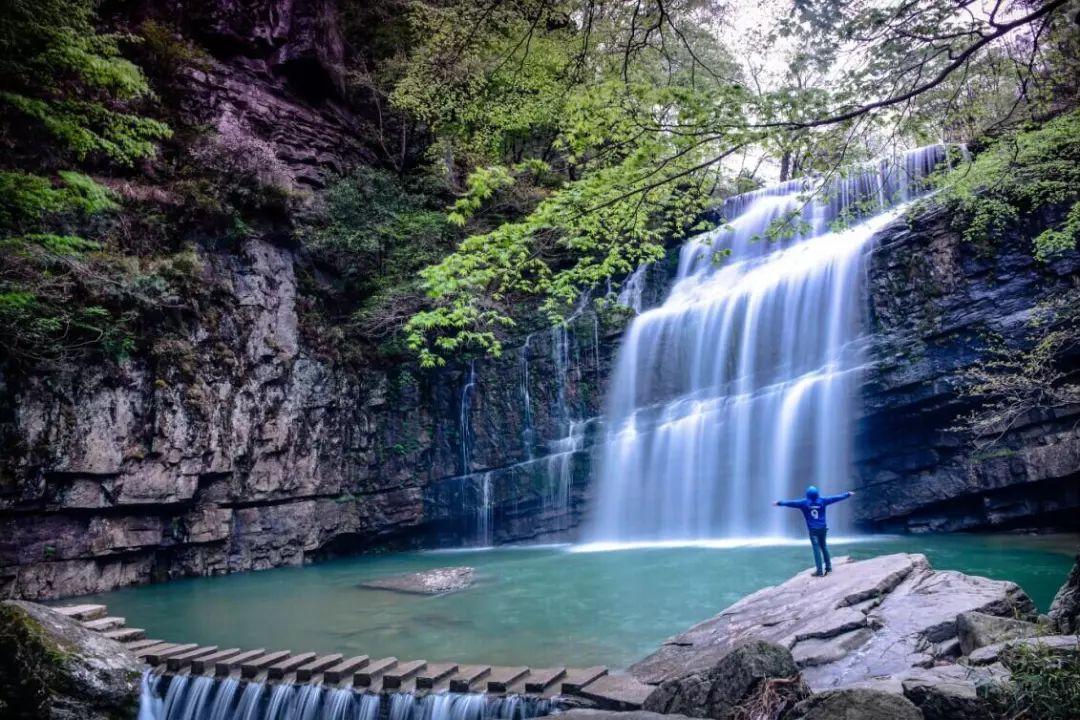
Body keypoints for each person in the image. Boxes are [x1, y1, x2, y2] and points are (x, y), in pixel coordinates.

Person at [773, 486, 855, 576]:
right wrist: (848, 494)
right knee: (824, 547)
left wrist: (778, 503)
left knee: (816, 550)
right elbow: (836, 498)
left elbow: (790, 503)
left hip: (813, 531)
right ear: (817, 494)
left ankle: (819, 571)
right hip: (823, 528)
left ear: (807, 495)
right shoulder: (823, 501)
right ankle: (828, 567)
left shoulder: (803, 503)